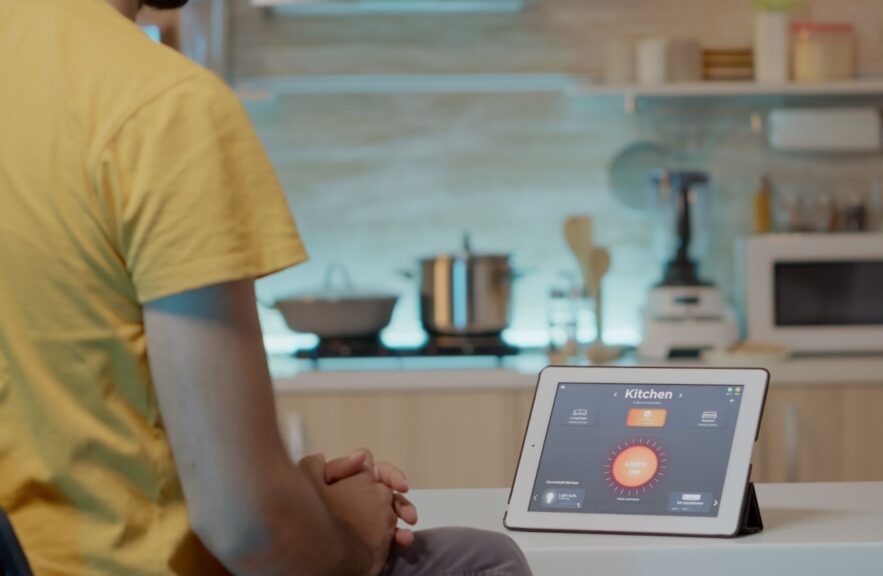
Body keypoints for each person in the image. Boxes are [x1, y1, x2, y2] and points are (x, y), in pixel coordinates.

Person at [0, 0, 532, 574]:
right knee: (484, 560)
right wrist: (350, 534)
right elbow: (249, 529)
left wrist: (292, 496)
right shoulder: (159, 105)